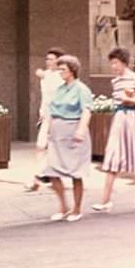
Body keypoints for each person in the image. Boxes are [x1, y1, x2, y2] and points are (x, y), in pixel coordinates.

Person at [93, 47, 135, 214]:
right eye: (111, 63)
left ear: (124, 63)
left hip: (133, 119)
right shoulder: (115, 81)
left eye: (116, 63)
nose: (113, 67)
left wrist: (130, 99)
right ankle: (105, 200)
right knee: (112, 157)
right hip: (119, 120)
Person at [39, 54, 92, 222]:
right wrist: (45, 133)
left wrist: (81, 131)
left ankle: (77, 208)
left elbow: (87, 110)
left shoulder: (81, 89)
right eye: (59, 69)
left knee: (76, 173)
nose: (60, 72)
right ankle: (63, 206)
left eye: (63, 69)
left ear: (72, 71)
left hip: (73, 130)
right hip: (57, 133)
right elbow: (50, 111)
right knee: (52, 170)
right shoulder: (59, 89)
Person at [25, 46, 65, 192]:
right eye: (47, 59)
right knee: (41, 147)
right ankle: (37, 177)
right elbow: (45, 97)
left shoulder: (61, 75)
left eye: (52, 59)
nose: (48, 62)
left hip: (59, 116)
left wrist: (44, 76)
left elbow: (57, 88)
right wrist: (41, 112)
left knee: (54, 149)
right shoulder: (46, 75)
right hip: (47, 115)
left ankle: (48, 175)